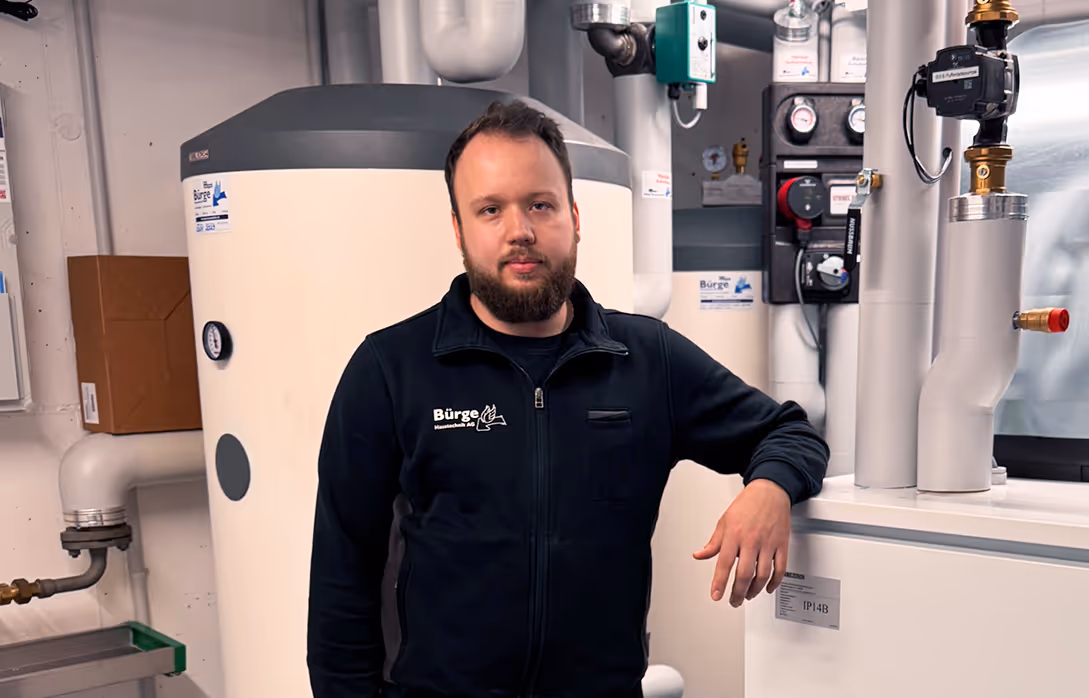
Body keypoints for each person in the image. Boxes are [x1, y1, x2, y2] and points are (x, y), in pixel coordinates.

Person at [306, 100, 830, 697]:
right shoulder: (390, 368)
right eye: (490, 209)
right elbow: (342, 579)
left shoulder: (647, 359)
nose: (519, 231)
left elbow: (791, 433)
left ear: (574, 217)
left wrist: (769, 487)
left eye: (540, 204)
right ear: (458, 229)